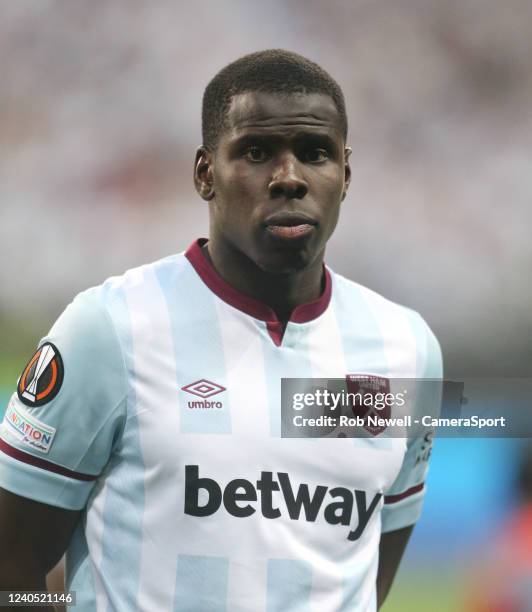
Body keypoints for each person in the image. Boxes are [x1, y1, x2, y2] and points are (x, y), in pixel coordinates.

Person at [0, 49, 442, 611]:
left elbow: (367, 572)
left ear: (345, 176)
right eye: (257, 152)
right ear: (205, 173)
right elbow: (10, 570)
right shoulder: (111, 328)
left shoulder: (407, 348)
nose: (289, 179)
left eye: (315, 153)